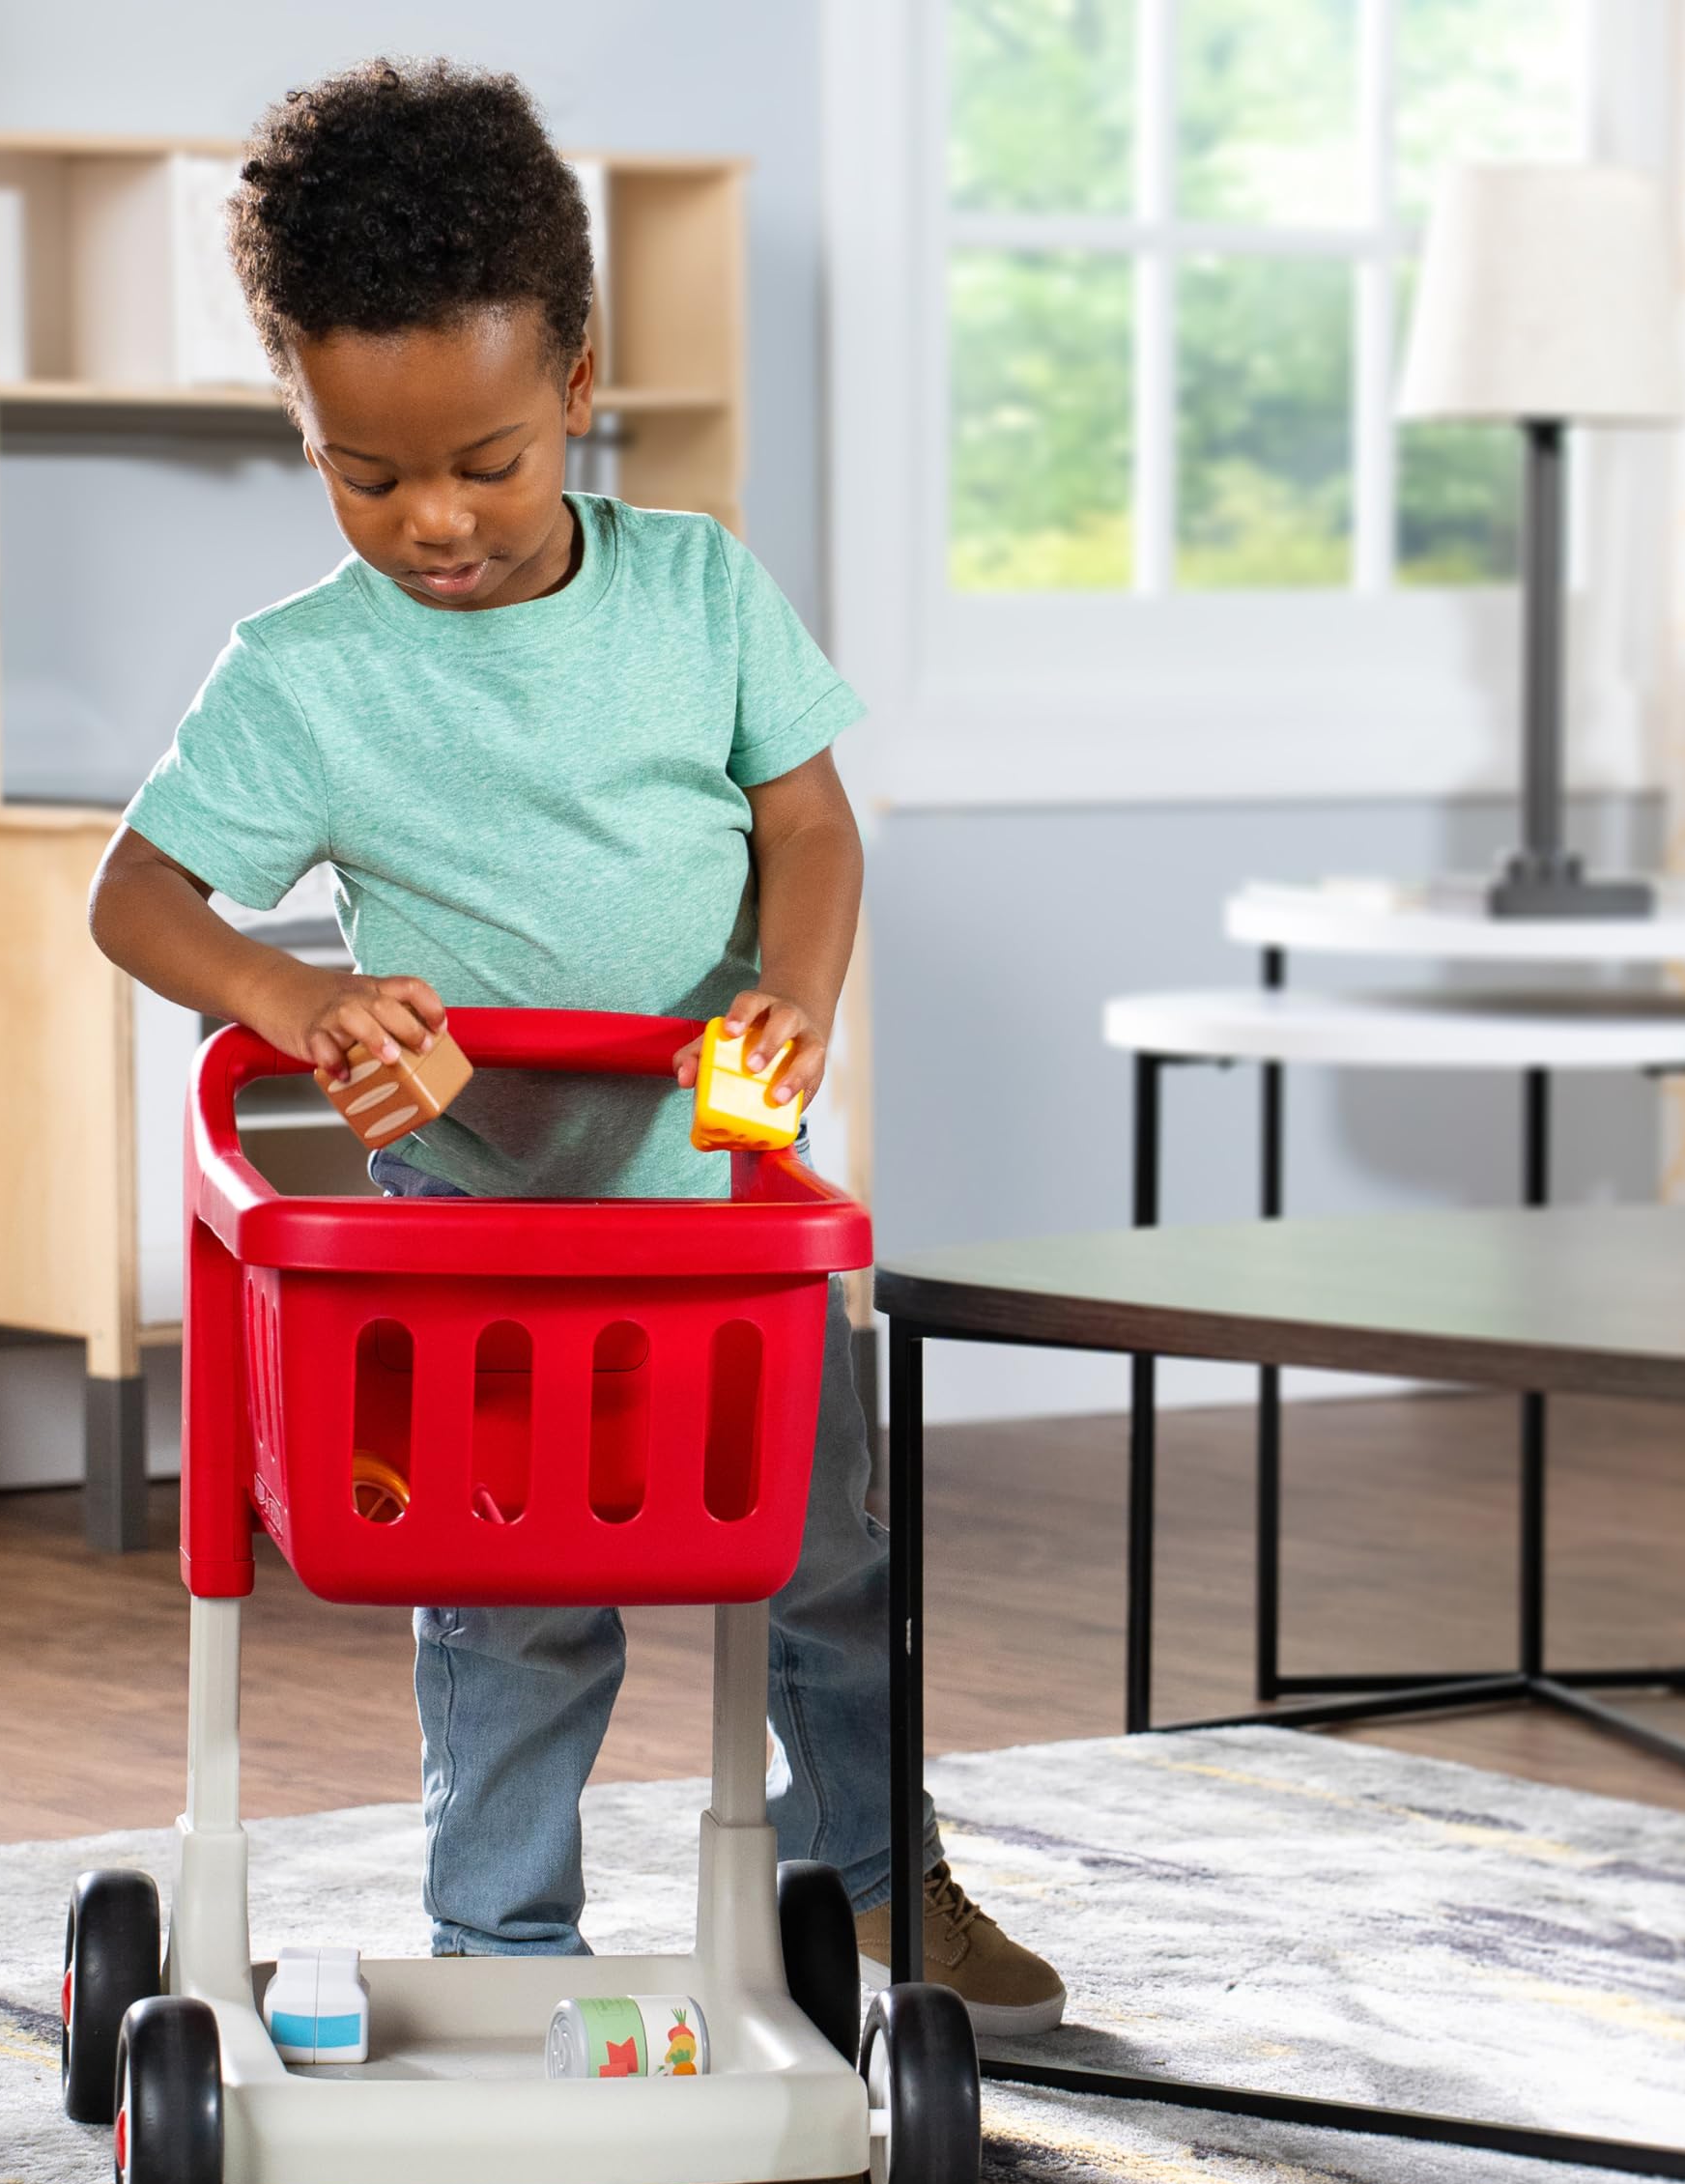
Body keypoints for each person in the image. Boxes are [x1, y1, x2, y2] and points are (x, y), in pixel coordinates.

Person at [89, 58, 1065, 2034]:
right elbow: (137, 895)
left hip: (724, 1202)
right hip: (479, 1238)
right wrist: (298, 999)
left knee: (823, 1563)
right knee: (516, 1611)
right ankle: (502, 1955)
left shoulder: (697, 589)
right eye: (367, 475)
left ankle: (878, 1885)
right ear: (298, 407)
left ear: (578, 386)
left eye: (486, 458)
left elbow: (805, 819)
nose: (433, 517)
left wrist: (789, 988)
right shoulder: (305, 674)